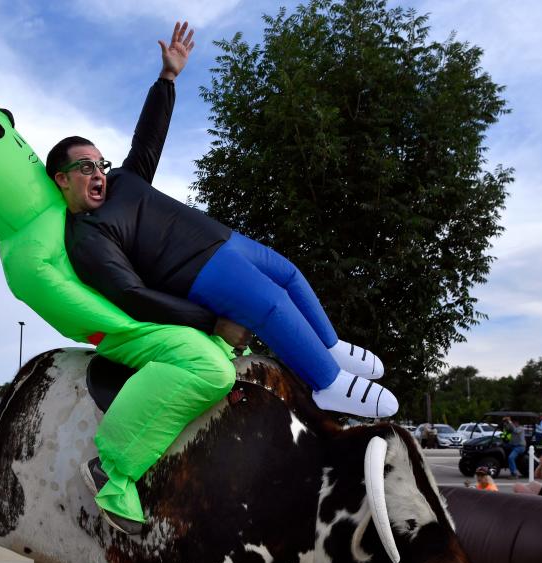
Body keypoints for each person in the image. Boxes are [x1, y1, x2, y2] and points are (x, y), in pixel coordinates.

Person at [50, 22, 397, 534]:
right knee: (271, 306)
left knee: (291, 277)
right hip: (197, 269)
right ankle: (326, 383)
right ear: (62, 180)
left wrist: (166, 79)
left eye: (99, 162)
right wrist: (210, 321)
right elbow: (129, 293)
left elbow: (147, 142)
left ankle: (328, 347)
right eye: (85, 168)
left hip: (225, 239)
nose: (98, 172)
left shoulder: (124, 182)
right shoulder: (86, 236)